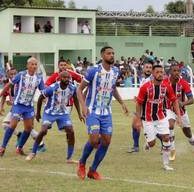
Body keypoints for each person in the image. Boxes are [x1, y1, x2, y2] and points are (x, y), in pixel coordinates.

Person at [77, 46, 129, 180]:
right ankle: (82, 163)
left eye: (113, 53)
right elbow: (79, 89)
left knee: (106, 141)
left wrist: (122, 103)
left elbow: (112, 89)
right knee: (94, 140)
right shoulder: (93, 71)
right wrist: (83, 106)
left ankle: (92, 170)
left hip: (107, 112)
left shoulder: (116, 71)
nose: (111, 55)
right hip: (92, 110)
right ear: (102, 55)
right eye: (108, 53)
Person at [26, 72, 84, 163]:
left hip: (63, 113)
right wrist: (38, 113)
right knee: (43, 131)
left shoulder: (72, 88)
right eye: (64, 77)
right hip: (50, 113)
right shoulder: (52, 88)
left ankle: (69, 158)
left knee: (71, 131)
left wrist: (79, 114)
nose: (67, 79)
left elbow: (75, 98)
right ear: (60, 78)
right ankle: (33, 152)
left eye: (68, 77)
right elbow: (41, 97)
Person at [134, 65, 182, 171]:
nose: (160, 74)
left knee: (166, 138)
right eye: (157, 72)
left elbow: (174, 101)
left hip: (161, 117)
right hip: (148, 119)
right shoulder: (145, 87)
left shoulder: (166, 87)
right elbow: (138, 103)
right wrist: (138, 119)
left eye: (162, 72)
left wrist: (178, 116)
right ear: (153, 74)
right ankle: (148, 143)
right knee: (152, 144)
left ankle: (166, 165)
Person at [0, 57, 44, 156]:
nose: (34, 66)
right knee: (13, 124)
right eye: (32, 64)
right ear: (27, 65)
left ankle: (19, 148)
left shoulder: (39, 78)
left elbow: (43, 91)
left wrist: (47, 99)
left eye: (35, 64)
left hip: (29, 107)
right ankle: (2, 147)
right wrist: (0, 94)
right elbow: (8, 85)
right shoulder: (21, 75)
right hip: (18, 105)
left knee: (28, 128)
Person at [164, 64, 194, 163]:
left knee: (188, 133)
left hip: (182, 112)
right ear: (170, 72)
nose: (177, 73)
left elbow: (192, 100)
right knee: (170, 125)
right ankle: (172, 150)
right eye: (174, 71)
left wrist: (183, 103)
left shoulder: (184, 83)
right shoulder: (164, 83)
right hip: (169, 110)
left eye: (178, 71)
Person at [127, 61, 153, 153]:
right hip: (142, 106)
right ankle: (136, 146)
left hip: (148, 108)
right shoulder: (143, 79)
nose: (149, 69)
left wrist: (139, 99)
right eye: (147, 67)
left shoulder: (151, 80)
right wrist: (138, 98)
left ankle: (165, 145)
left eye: (150, 67)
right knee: (135, 125)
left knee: (152, 128)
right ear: (143, 68)